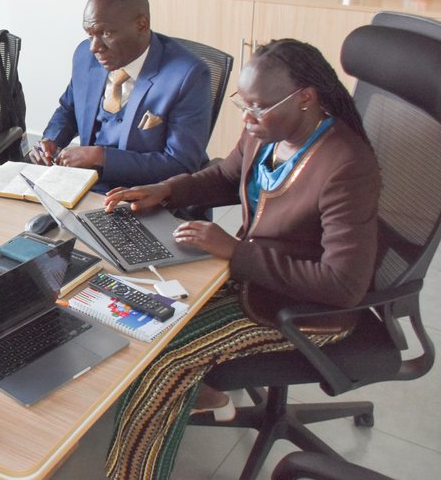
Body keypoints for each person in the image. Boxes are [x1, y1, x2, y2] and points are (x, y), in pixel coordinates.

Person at [101, 39, 380, 480]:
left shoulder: (346, 164)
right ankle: (199, 396)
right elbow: (227, 176)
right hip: (249, 276)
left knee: (166, 362)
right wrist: (168, 190)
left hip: (304, 309)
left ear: (305, 98)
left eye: (259, 107)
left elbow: (344, 285)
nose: (247, 118)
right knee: (137, 313)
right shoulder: (266, 131)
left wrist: (236, 251)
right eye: (243, 105)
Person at [32, 0, 212, 192]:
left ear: (142, 25)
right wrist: (51, 140)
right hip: (83, 185)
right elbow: (69, 109)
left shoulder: (188, 76)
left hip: (144, 195)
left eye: (106, 34)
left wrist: (101, 157)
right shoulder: (85, 56)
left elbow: (180, 164)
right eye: (89, 34)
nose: (94, 47)